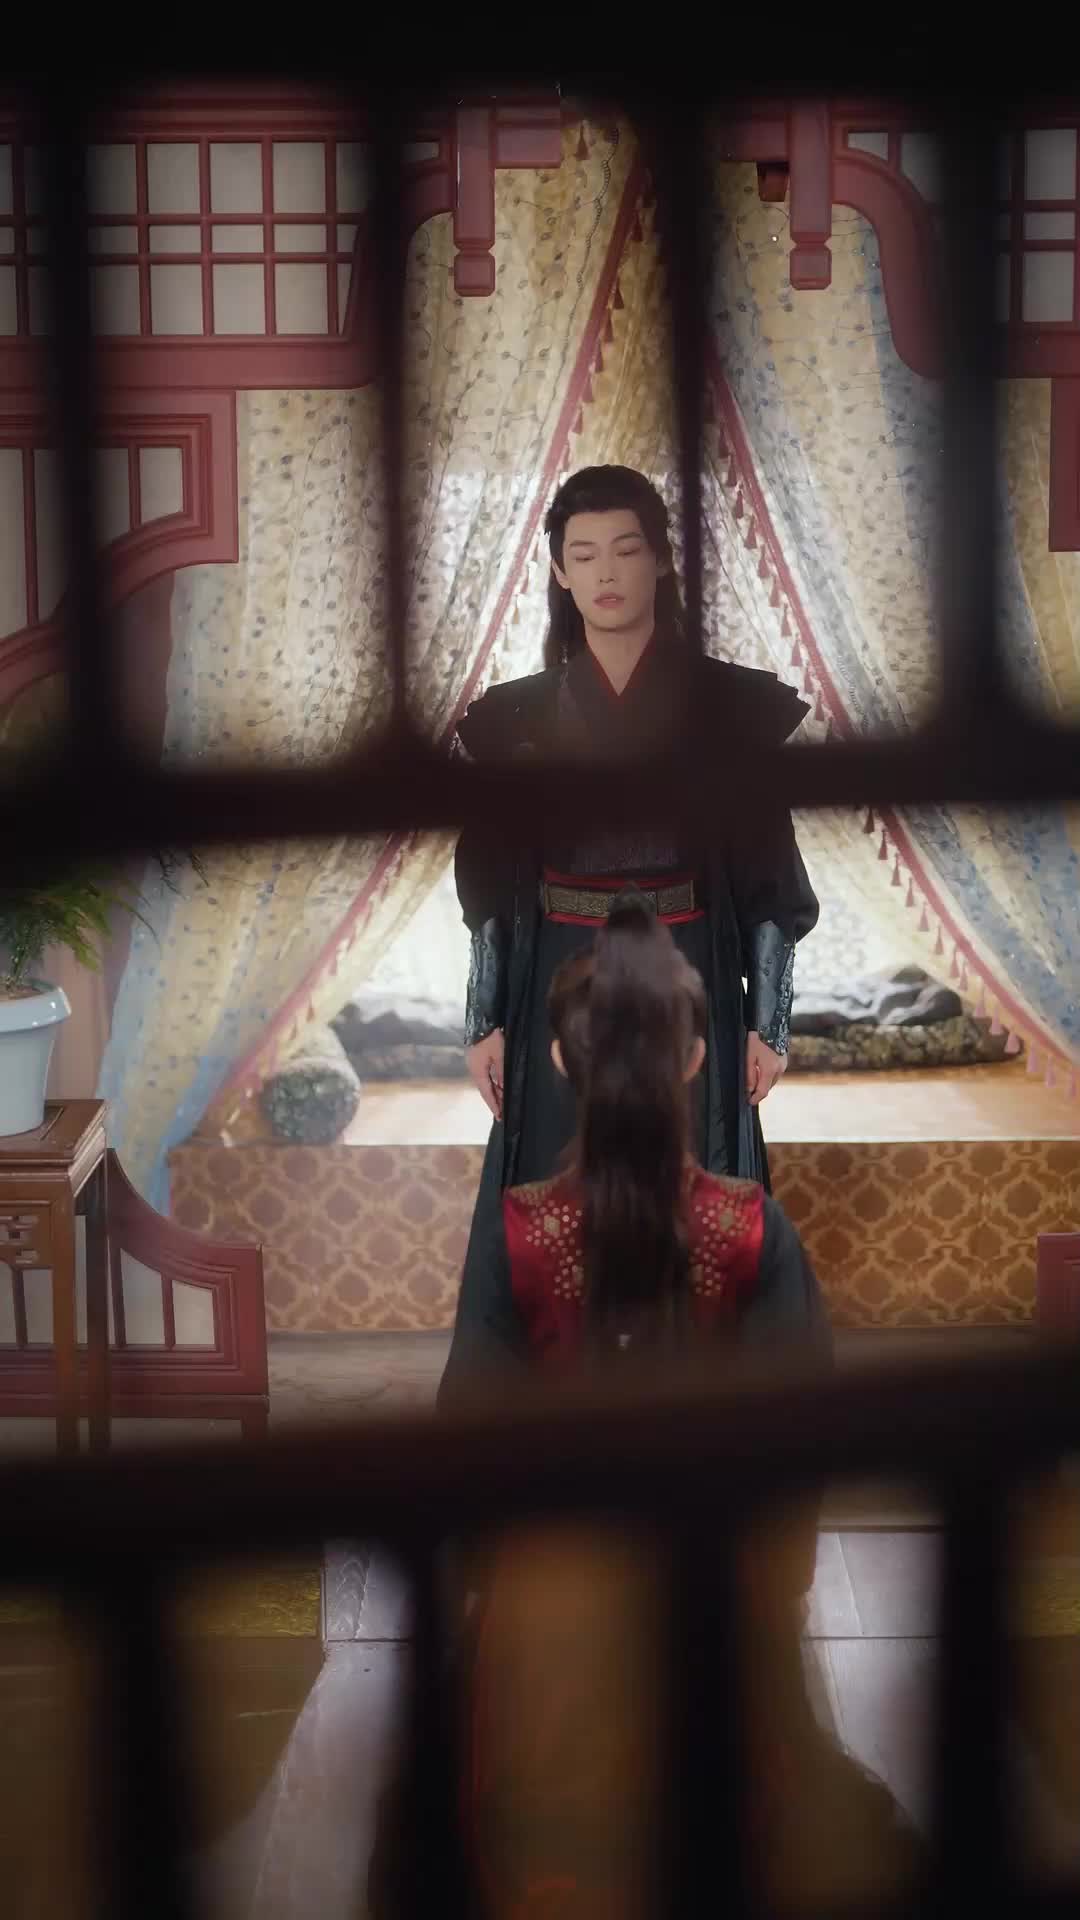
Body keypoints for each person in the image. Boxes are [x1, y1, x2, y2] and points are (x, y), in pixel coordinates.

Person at [444, 463, 819, 1398]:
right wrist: (485, 1020)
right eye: (583, 555)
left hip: (688, 968)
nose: (606, 572)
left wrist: (768, 1023)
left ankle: (699, 1403)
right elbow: (488, 888)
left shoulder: (730, 712)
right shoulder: (514, 722)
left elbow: (772, 882)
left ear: (660, 561)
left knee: (694, 1165)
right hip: (553, 976)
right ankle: (552, 1399)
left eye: (625, 549)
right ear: (559, 573)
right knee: (553, 1164)